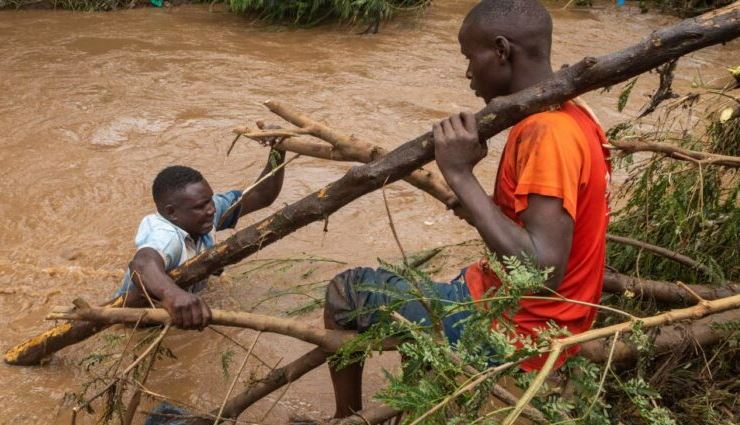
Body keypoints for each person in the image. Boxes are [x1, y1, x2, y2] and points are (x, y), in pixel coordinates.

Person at [323, 0, 611, 418]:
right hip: (556, 318)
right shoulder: (575, 113)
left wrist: (459, 175)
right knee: (445, 283)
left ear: (500, 50)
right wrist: (479, 202)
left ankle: (346, 419)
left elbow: (543, 271)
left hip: (518, 331)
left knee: (344, 291)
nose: (467, 72)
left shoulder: (546, 133)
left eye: (468, 57)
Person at [117, 132, 286, 330]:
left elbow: (261, 194)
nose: (212, 210)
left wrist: (279, 150)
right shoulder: (166, 235)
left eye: (210, 200)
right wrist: (174, 295)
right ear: (172, 213)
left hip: (182, 312)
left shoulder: (206, 212)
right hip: (139, 324)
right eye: (201, 206)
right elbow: (142, 264)